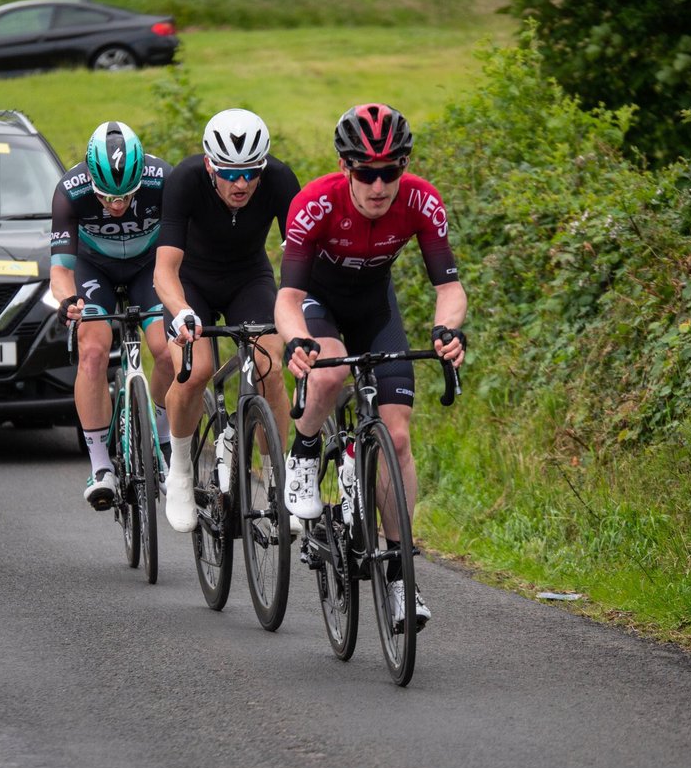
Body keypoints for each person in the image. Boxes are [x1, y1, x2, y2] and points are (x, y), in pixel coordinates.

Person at [275, 103, 467, 630]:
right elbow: (288, 297)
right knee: (332, 371)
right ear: (346, 167)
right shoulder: (314, 204)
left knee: (398, 438)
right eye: (366, 172)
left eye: (390, 171)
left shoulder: (422, 201)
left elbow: (448, 289)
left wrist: (447, 331)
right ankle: (305, 449)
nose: (379, 185)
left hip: (375, 309)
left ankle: (403, 580)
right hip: (319, 302)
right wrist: (296, 342)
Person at [156, 108, 301, 532]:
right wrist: (181, 311)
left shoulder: (279, 179)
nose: (241, 184)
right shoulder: (183, 180)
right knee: (195, 368)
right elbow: (164, 269)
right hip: (190, 282)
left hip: (248, 278)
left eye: (250, 173)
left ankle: (278, 482)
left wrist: (301, 310)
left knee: (268, 366)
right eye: (230, 173)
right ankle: (181, 470)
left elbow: (298, 258)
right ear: (209, 166)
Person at [50, 121, 175, 509]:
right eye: (107, 198)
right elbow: (60, 270)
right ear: (91, 180)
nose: (117, 206)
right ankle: (101, 464)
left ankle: (163, 437)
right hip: (94, 270)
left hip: (147, 268)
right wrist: (69, 300)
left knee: (169, 352)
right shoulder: (70, 192)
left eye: (126, 196)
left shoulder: (163, 180)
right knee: (92, 350)